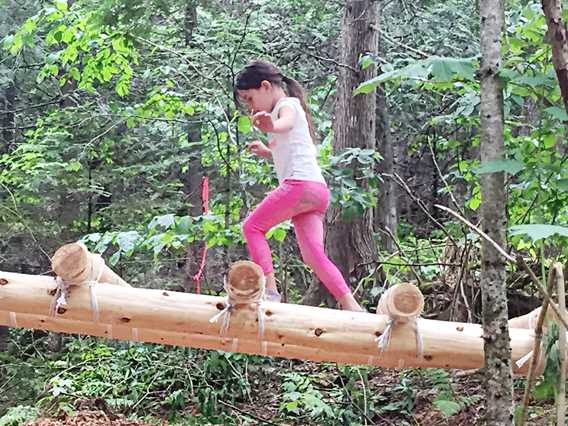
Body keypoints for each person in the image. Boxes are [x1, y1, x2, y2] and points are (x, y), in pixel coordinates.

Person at [234, 59, 364, 312]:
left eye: (250, 99)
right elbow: (294, 148)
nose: (250, 106)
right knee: (313, 256)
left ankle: (269, 291)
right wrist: (267, 150)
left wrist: (272, 126)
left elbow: (287, 123)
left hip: (299, 186)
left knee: (252, 227)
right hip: (316, 191)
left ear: (265, 86)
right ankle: (352, 306)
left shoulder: (287, 105)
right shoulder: (283, 107)